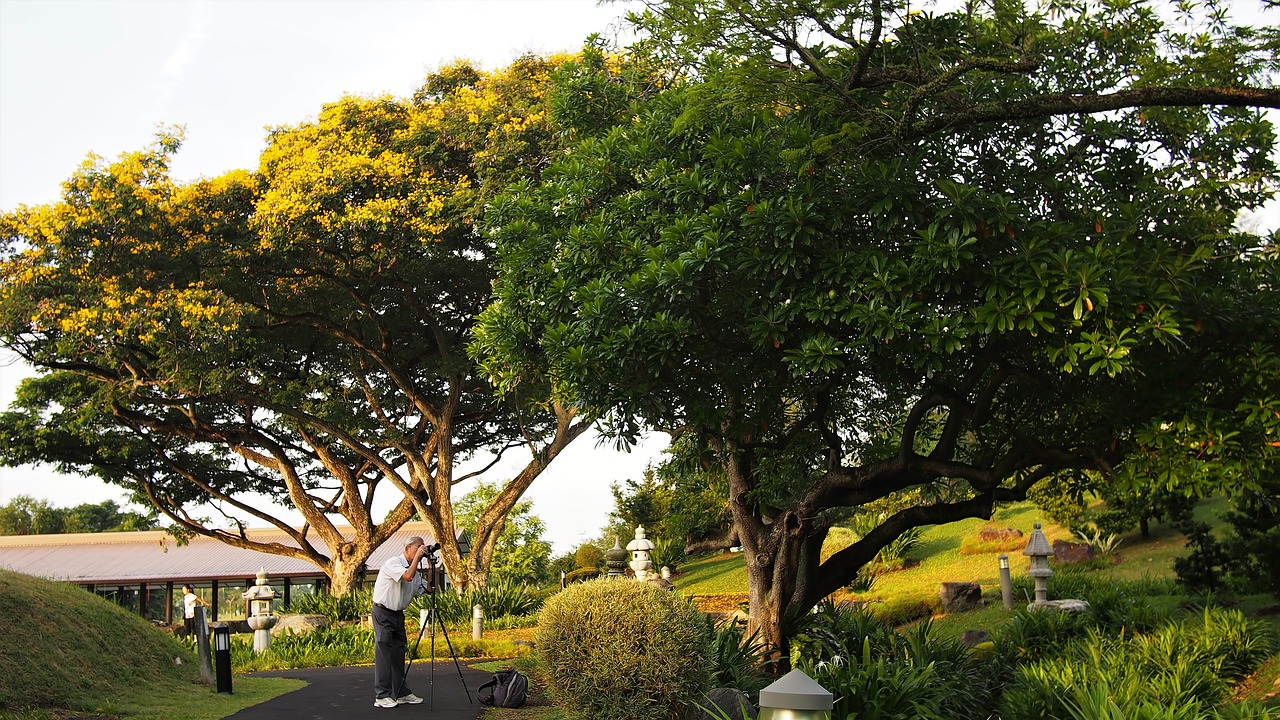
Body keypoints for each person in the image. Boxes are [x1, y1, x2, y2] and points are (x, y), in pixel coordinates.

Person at [371, 536, 430, 708]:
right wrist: (418, 558)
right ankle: (382, 696)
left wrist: (431, 566)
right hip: (382, 612)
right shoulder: (393, 563)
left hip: (398, 614)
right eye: (418, 547)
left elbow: (428, 590)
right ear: (407, 548)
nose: (421, 550)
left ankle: (401, 693)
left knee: (398, 653)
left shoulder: (416, 571)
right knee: (384, 653)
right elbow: (407, 576)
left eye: (423, 547)